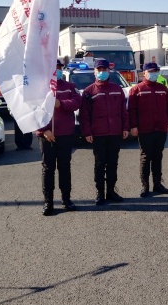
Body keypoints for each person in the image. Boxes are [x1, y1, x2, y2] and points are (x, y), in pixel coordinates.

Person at [79, 59, 129, 206]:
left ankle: (111, 191)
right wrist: (87, 132)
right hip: (98, 134)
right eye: (99, 70)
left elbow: (123, 111)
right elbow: (84, 115)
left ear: (109, 71)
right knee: (100, 164)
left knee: (113, 163)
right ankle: (100, 192)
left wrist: (125, 127)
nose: (102, 73)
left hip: (114, 133)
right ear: (94, 72)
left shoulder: (117, 89)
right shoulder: (89, 92)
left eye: (104, 70)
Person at [36, 59, 82, 216]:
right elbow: (34, 111)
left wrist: (60, 104)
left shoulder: (70, 87)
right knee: (48, 169)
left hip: (65, 135)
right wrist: (43, 130)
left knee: (64, 168)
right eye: (53, 68)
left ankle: (66, 199)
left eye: (59, 68)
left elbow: (77, 102)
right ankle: (48, 202)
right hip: (47, 136)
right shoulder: (40, 88)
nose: (57, 71)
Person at [128, 62, 168, 197]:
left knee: (158, 156)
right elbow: (132, 110)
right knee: (145, 157)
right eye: (151, 71)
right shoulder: (136, 90)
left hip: (160, 128)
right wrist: (133, 126)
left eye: (156, 71)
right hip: (144, 128)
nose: (154, 73)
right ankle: (145, 186)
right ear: (144, 73)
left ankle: (157, 184)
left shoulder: (162, 88)